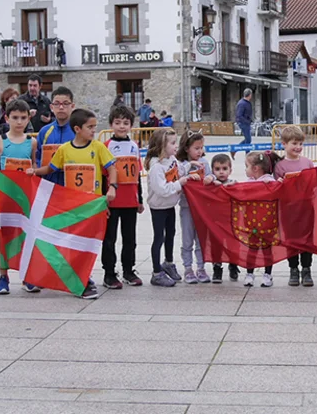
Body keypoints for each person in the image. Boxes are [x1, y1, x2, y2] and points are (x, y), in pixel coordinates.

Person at [37, 108, 114, 300]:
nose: (94, 130)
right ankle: (81, 280)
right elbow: (50, 168)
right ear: (77, 129)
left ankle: (84, 277)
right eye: (90, 127)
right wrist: (33, 172)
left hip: (92, 206)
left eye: (95, 127)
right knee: (73, 244)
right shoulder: (64, 150)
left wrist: (112, 188)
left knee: (89, 244)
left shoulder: (98, 148)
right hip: (72, 207)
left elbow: (112, 168)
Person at [0, 99, 36, 295]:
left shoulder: (32, 142)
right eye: (15, 118)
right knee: (4, 237)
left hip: (24, 198)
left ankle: (26, 275)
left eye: (23, 118)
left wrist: (33, 171)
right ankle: (3, 276)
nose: (19, 122)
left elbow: (34, 165)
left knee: (25, 236)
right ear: (7, 118)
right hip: (6, 198)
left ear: (28, 119)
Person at [145, 127, 199, 287]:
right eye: (173, 143)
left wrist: (190, 165)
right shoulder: (156, 167)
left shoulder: (172, 159)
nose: (176, 146)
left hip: (170, 205)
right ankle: (156, 273)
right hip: (158, 207)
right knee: (159, 238)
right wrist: (179, 184)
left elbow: (179, 169)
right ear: (162, 145)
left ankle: (168, 263)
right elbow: (161, 189)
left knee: (170, 234)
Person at [101, 105, 144, 289]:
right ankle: (109, 273)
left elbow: (137, 175)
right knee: (109, 239)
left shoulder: (134, 146)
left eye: (125, 123)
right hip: (112, 200)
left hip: (130, 201)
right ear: (111, 124)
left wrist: (140, 199)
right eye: (117, 123)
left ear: (131, 126)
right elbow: (102, 175)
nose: (121, 126)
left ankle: (128, 270)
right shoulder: (106, 146)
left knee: (130, 238)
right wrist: (103, 201)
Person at [270, 125, 317, 287]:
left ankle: (307, 269)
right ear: (284, 144)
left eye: (300, 144)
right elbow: (276, 188)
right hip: (288, 210)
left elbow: (314, 185)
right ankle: (293, 269)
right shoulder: (280, 166)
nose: (298, 147)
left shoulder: (308, 162)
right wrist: (280, 183)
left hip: (306, 208)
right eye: (294, 143)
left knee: (307, 240)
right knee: (290, 240)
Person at [176, 130, 210, 284]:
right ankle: (188, 268)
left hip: (202, 208)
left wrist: (210, 178)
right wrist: (188, 173)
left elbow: (211, 175)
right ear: (186, 148)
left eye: (201, 148)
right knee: (187, 239)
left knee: (200, 239)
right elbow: (177, 178)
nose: (200, 151)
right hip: (187, 207)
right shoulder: (181, 165)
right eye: (196, 148)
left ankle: (201, 267)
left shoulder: (204, 163)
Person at [203, 153, 239, 283]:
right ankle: (217, 268)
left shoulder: (234, 184)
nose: (221, 172)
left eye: (224, 168)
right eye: (217, 169)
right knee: (216, 245)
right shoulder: (211, 185)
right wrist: (211, 182)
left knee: (233, 245)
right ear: (212, 170)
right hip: (215, 222)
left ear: (230, 170)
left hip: (230, 222)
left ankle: (233, 265)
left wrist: (233, 188)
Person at [243, 151, 276, 287]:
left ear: (255, 168)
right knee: (252, 249)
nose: (245, 169)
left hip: (267, 223)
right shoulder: (249, 182)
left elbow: (277, 190)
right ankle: (249, 273)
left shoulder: (269, 181)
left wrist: (271, 184)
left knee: (267, 249)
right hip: (252, 224)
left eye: (247, 166)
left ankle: (267, 274)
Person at [34, 86, 76, 176]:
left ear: (72, 106)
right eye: (57, 104)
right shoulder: (44, 132)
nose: (61, 107)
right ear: (51, 107)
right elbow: (36, 158)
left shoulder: (78, 131)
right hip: (47, 181)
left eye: (65, 103)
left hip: (70, 181)